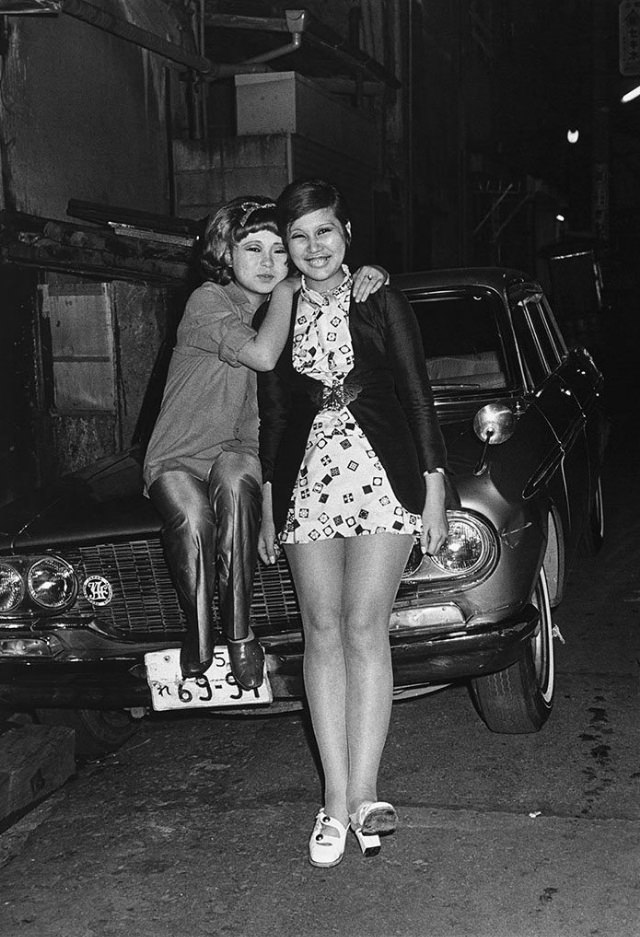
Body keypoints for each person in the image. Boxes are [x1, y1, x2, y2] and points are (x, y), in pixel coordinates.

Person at [256, 179, 455, 867]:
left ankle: (366, 793)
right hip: (309, 482)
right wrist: (268, 500)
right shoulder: (278, 309)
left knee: (366, 625)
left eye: (325, 232)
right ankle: (333, 800)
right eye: (300, 237)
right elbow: (276, 411)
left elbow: (416, 393)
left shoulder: (379, 297)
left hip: (383, 475)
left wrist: (434, 488)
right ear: (288, 247)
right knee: (322, 630)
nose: (314, 247)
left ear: (347, 234)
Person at [143, 194, 387, 691]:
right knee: (191, 517)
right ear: (225, 255)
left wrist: (373, 273)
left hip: (241, 452)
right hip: (179, 454)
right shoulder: (209, 301)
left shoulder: (294, 308)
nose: (269, 263)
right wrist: (286, 293)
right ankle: (199, 628)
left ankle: (240, 635)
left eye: (280, 251)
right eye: (252, 249)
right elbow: (259, 353)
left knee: (234, 485)